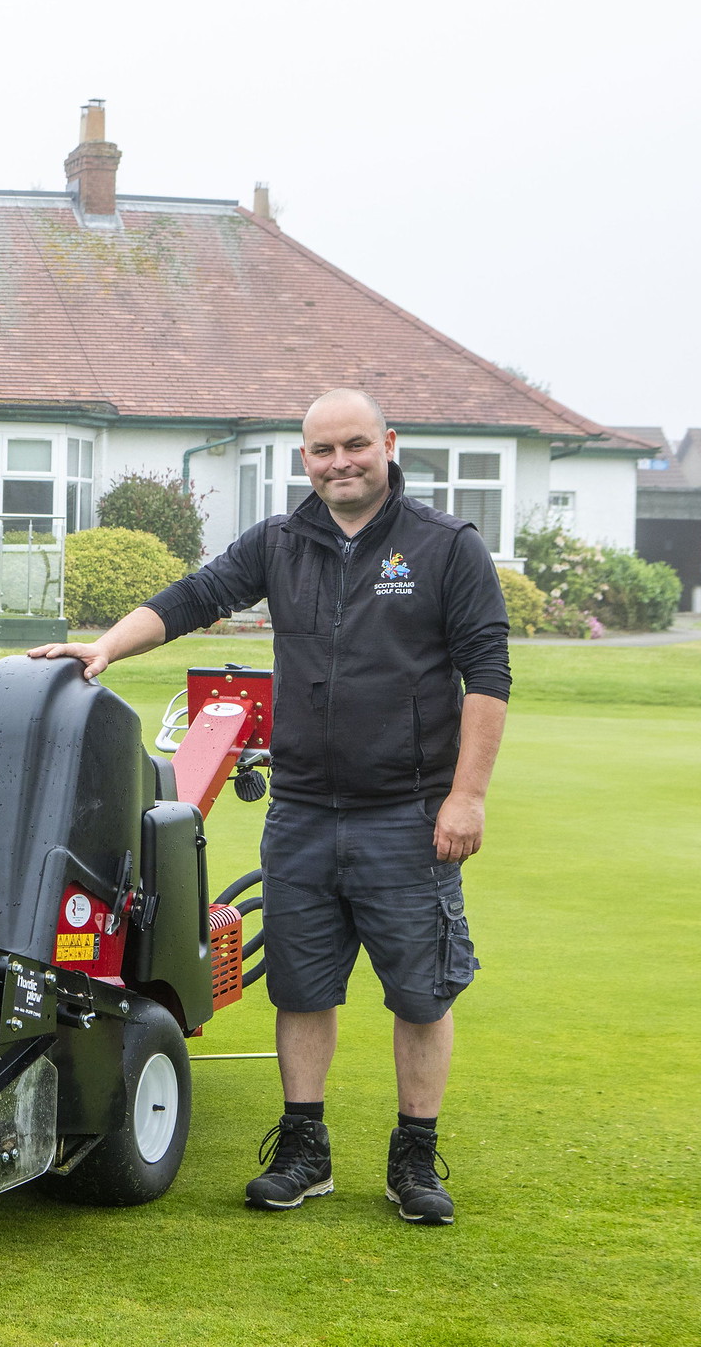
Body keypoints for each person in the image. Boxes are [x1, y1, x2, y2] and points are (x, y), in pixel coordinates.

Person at [30, 388, 508, 1225]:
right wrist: (105, 644)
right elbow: (192, 597)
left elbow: (488, 677)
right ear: (304, 460)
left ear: (388, 444)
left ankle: (415, 1161)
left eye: (356, 445)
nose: (340, 462)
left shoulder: (446, 548)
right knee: (301, 989)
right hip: (303, 816)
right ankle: (303, 1151)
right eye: (322, 450)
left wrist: (467, 796)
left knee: (423, 995)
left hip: (410, 814)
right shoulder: (281, 543)